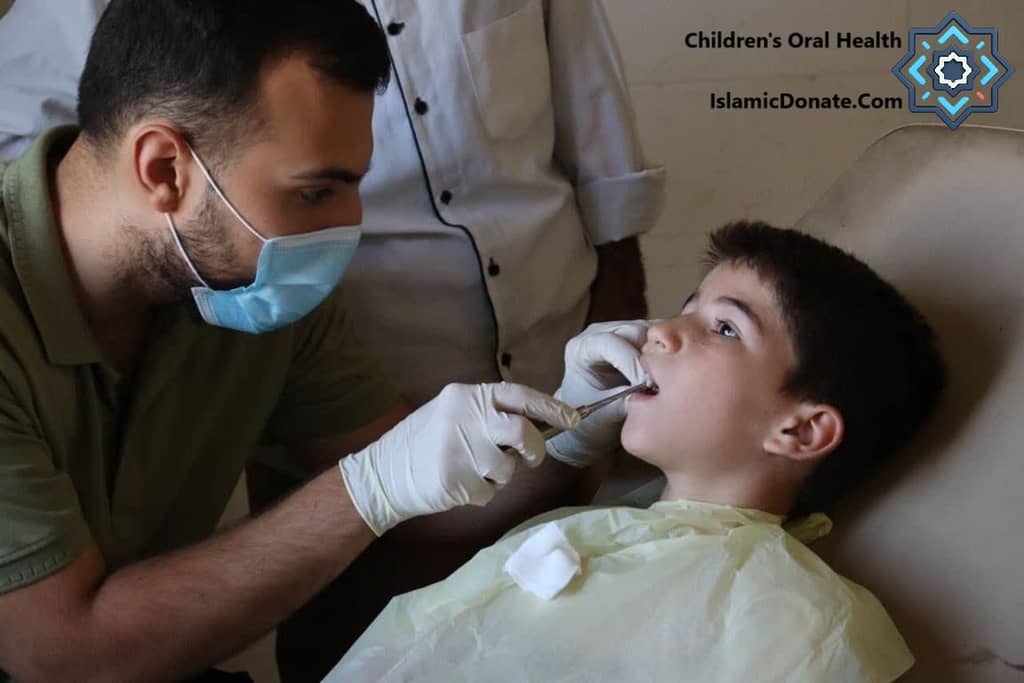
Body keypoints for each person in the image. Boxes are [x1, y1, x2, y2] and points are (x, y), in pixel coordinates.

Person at [0, 1, 651, 680]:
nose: (349, 226)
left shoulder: (251, 289)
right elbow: (61, 652)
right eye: (316, 193)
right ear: (164, 168)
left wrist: (574, 424)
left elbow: (423, 500)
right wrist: (369, 488)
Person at [325, 221, 948, 682]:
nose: (660, 331)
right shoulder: (584, 527)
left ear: (801, 432)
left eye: (723, 327)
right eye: (686, 308)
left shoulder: (800, 623)